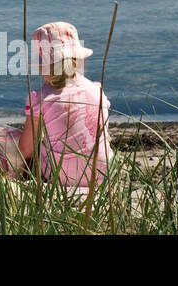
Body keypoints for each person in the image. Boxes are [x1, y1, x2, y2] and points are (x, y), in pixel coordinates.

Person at [17, 21, 112, 188]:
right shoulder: (97, 90)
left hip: (61, 179)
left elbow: (25, 150)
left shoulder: (39, 99)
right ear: (78, 59)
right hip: (101, 174)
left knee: (34, 153)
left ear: (41, 65)